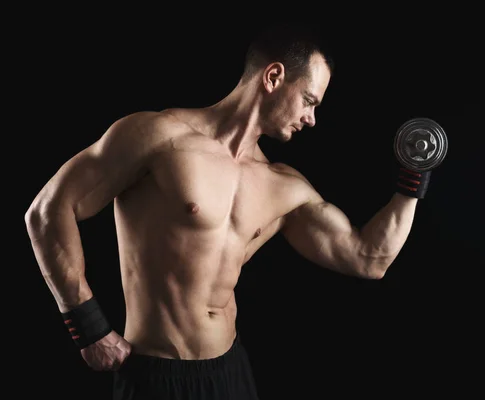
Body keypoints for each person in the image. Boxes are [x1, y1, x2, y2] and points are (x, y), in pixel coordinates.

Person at [25, 22, 434, 400]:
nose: (311, 119)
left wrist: (414, 174)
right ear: (273, 77)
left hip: (230, 373)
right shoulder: (159, 137)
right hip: (155, 375)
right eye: (309, 100)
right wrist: (87, 325)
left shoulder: (284, 185)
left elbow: (369, 258)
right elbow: (48, 210)